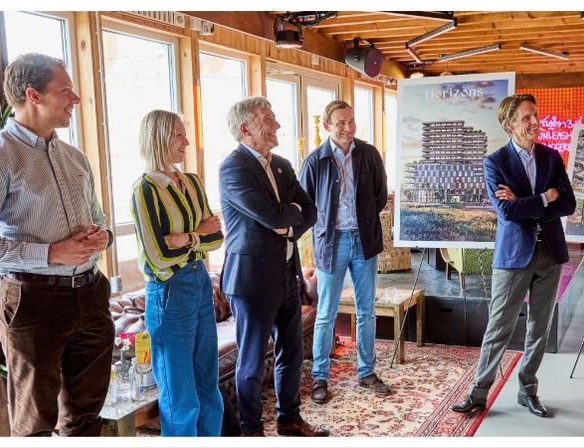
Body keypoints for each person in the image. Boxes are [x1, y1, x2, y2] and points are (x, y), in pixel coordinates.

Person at [0, 53, 114, 436]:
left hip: (90, 295)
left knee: (86, 419)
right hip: (32, 302)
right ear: (33, 95)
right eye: (66, 90)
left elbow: (100, 217)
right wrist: (51, 253)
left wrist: (103, 235)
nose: (75, 99)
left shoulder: (75, 158)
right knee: (35, 427)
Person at [452, 94, 576, 418]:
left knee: (539, 328)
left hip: (551, 254)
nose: (534, 122)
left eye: (535, 115)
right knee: (499, 326)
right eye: (526, 118)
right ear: (509, 125)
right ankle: (479, 394)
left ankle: (528, 391)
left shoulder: (552, 157)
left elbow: (568, 204)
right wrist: (544, 198)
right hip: (513, 255)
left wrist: (525, 202)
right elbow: (506, 212)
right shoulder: (495, 162)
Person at [219, 96, 327, 437]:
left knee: (292, 354)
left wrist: (286, 222)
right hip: (250, 282)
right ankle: (252, 431)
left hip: (287, 275)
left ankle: (289, 419)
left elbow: (310, 211)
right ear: (245, 128)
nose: (277, 125)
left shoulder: (281, 164)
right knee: (251, 363)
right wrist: (286, 215)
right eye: (268, 120)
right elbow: (272, 214)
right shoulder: (233, 168)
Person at [130, 110, 224, 436]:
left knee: (208, 387)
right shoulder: (145, 190)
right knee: (180, 396)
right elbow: (158, 256)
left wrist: (187, 238)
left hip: (199, 280)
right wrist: (199, 235)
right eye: (179, 135)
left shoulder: (192, 182)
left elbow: (216, 237)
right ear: (159, 139)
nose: (186, 142)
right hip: (168, 291)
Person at [299, 100, 390, 404]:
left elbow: (380, 196)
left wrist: (363, 220)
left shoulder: (369, 154)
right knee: (326, 313)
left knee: (366, 311)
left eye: (351, 121)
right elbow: (305, 206)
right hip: (332, 242)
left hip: (364, 240)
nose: (348, 128)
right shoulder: (314, 161)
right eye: (341, 123)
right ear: (327, 126)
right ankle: (320, 377)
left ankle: (367, 372)